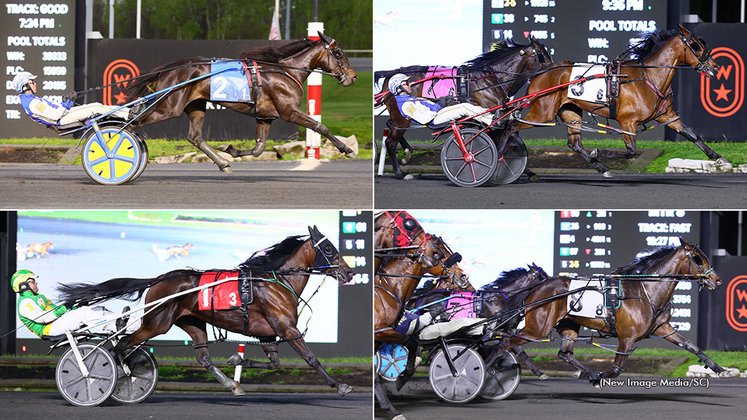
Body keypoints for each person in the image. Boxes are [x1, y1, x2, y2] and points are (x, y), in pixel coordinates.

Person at [12, 269, 139, 338]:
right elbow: (44, 318)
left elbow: (56, 311)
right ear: (23, 285)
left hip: (56, 323)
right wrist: (66, 307)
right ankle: (122, 326)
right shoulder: (24, 303)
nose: (36, 283)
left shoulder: (37, 297)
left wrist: (72, 306)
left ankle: (132, 322)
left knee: (92, 309)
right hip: (49, 329)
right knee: (83, 314)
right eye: (32, 281)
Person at [12, 71, 130, 127]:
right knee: (96, 107)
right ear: (25, 86)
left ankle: (126, 111)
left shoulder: (31, 100)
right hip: (62, 120)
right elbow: (55, 116)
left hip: (64, 116)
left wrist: (66, 101)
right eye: (32, 82)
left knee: (96, 106)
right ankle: (128, 113)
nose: (35, 84)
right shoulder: (32, 103)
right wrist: (68, 102)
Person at [388, 73, 494, 126]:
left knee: (465, 105)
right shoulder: (406, 105)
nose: (409, 84)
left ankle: (492, 116)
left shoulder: (409, 100)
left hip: (437, 114)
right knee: (464, 108)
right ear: (398, 88)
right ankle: (492, 121)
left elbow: (429, 107)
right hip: (435, 119)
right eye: (406, 83)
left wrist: (442, 102)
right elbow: (424, 119)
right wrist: (438, 105)